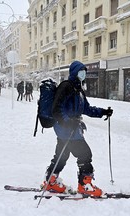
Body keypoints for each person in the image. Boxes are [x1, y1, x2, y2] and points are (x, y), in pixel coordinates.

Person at [41, 60, 113, 197]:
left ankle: (50, 181)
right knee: (85, 154)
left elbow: (87, 109)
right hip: (66, 129)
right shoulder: (66, 86)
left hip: (70, 129)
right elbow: (56, 109)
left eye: (84, 72)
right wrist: (68, 123)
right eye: (81, 71)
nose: (83, 74)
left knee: (62, 155)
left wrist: (103, 112)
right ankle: (85, 185)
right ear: (74, 72)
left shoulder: (78, 90)